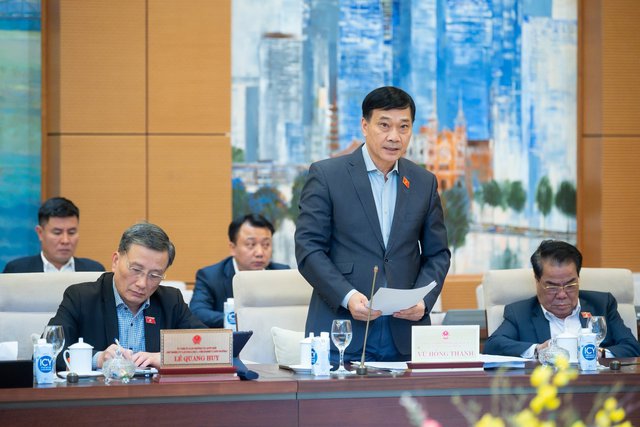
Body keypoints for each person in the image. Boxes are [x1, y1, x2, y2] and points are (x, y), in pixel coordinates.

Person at [295, 86, 451, 363]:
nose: (394, 136)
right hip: (342, 330)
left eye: (404, 127)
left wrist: (423, 302)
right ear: (365, 126)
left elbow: (437, 254)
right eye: (384, 125)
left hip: (404, 333)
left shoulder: (423, 182)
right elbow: (309, 250)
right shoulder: (327, 175)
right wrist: (347, 296)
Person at [48, 222, 205, 370]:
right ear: (116, 261)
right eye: (136, 270)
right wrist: (98, 359)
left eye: (155, 275)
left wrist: (166, 358)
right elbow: (49, 352)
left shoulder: (171, 301)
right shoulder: (81, 298)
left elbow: (209, 347)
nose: (142, 283)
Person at [484, 240, 640, 359]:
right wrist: (538, 350)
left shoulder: (602, 304)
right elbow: (493, 346)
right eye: (552, 287)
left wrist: (597, 353)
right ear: (537, 280)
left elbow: (632, 347)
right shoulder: (520, 313)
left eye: (570, 285)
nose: (562, 294)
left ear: (578, 278)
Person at [190, 214, 290, 327]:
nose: (260, 253)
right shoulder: (210, 276)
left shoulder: (283, 274)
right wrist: (240, 319)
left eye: (266, 245)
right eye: (250, 245)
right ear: (232, 248)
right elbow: (198, 313)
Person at [3, 197, 104, 273]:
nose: (65, 240)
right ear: (40, 233)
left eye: (71, 232)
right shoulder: (17, 270)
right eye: (57, 233)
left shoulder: (94, 271)